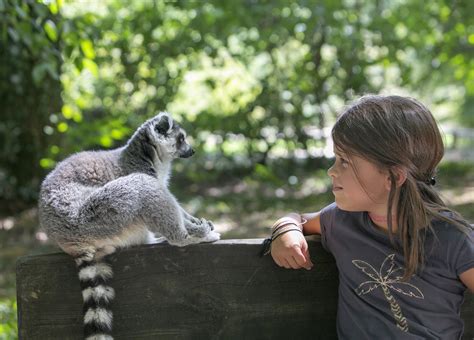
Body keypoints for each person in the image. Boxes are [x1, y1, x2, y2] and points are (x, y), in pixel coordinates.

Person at [267, 95, 474, 339]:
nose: (331, 171)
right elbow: (297, 219)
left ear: (394, 177)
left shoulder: (453, 240)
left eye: (344, 161)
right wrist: (284, 231)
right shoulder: (341, 221)